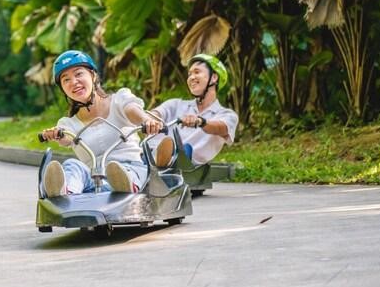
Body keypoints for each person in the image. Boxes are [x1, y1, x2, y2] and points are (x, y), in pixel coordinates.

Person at [39, 50, 164, 195]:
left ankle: (125, 186)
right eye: (66, 79)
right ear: (63, 89)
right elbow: (66, 137)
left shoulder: (119, 100)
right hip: (93, 178)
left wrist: (147, 121)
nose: (73, 82)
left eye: (78, 74)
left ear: (93, 75)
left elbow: (132, 110)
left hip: (130, 168)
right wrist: (56, 134)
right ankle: (66, 192)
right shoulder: (68, 123)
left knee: (119, 170)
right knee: (72, 165)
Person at [147, 54, 238, 167]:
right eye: (189, 74)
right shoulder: (175, 104)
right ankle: (156, 158)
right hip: (150, 153)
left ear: (214, 77)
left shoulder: (227, 115)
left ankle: (166, 159)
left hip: (186, 162)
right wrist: (149, 120)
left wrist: (201, 122)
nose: (191, 77)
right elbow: (156, 113)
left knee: (185, 149)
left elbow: (221, 128)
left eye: (197, 72)